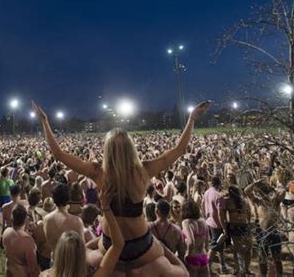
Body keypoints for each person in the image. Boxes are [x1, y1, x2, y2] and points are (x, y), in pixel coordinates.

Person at [32, 99, 210, 273]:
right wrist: (191, 118)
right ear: (130, 148)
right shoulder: (143, 171)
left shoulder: (98, 173)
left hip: (110, 244)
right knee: (181, 270)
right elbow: (179, 149)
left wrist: (45, 122)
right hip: (141, 244)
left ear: (107, 150)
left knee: (84, 247)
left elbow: (59, 154)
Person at [41, 189, 125, 277]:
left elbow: (118, 245)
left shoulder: (44, 275)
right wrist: (106, 208)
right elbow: (118, 245)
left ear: (59, 252)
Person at [245, 178, 285, 276]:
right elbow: (246, 191)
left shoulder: (275, 201)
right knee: (262, 257)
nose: (261, 195)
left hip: (274, 232)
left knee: (277, 258)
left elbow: (283, 191)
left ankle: (279, 275)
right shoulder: (257, 202)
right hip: (261, 232)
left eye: (263, 192)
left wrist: (272, 189)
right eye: (260, 193)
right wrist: (256, 182)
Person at [43, 183, 85, 253]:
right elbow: (82, 248)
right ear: (69, 198)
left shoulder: (46, 219)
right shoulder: (76, 221)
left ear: (53, 199)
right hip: (72, 261)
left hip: (54, 260)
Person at [2, 204, 40, 276]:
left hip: (9, 272)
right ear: (25, 219)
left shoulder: (6, 232)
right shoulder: (27, 241)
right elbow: (33, 269)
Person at [202, 176, 228, 274]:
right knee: (213, 247)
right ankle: (206, 268)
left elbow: (202, 205)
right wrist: (224, 227)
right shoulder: (218, 196)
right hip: (217, 225)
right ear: (219, 184)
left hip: (209, 222)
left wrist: (206, 216)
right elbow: (220, 214)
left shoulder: (206, 192)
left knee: (220, 246)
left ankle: (223, 267)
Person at [224, 184, 252, 275]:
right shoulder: (245, 201)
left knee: (237, 249)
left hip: (234, 225)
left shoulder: (227, 201)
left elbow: (222, 213)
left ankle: (238, 269)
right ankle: (246, 269)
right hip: (245, 225)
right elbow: (249, 214)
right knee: (248, 248)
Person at [181, 199, 210, 277]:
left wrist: (187, 254)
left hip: (192, 257)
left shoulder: (186, 222)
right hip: (203, 256)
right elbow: (207, 241)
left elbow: (191, 242)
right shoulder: (203, 221)